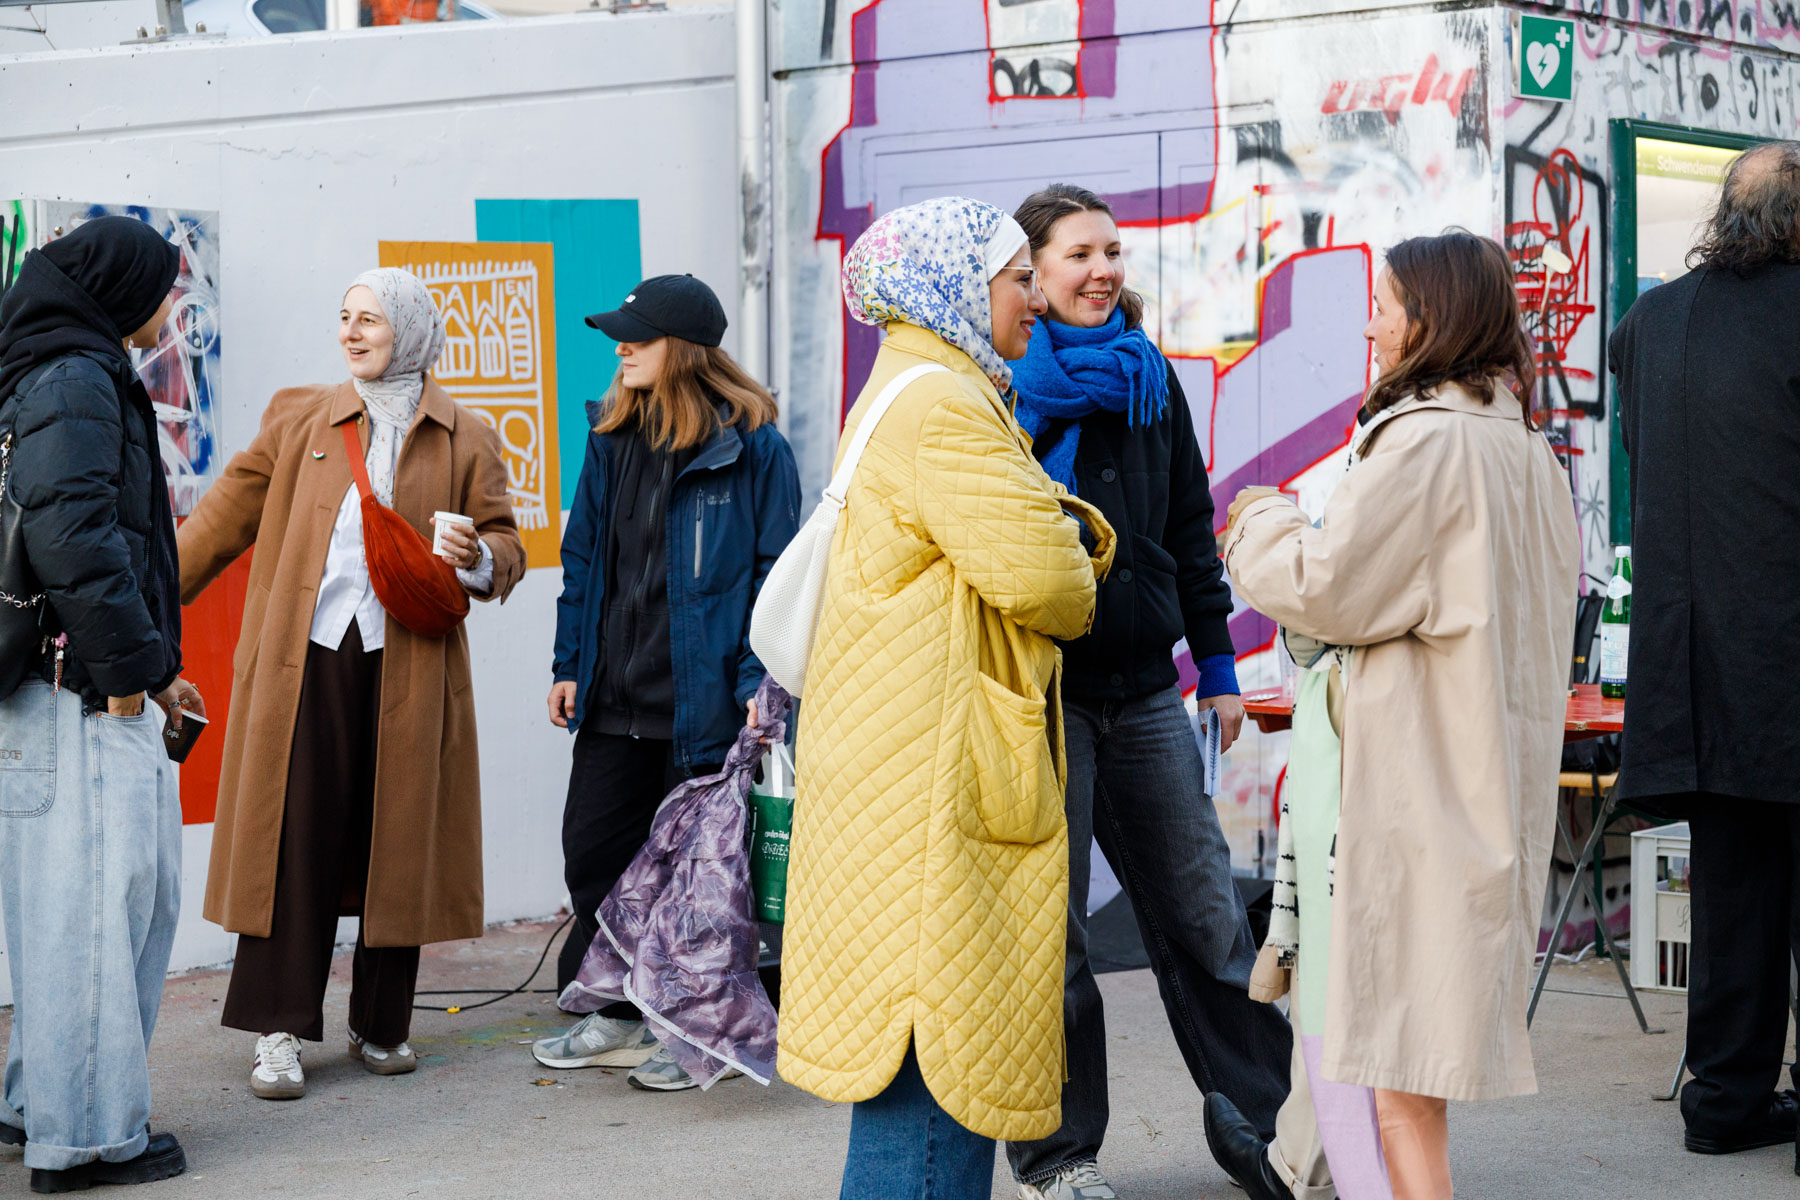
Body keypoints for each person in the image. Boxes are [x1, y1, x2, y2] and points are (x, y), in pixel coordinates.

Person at [1222, 231, 1578, 1199]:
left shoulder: (1425, 443)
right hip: (1474, 777)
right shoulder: (1521, 447)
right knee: (1405, 1068)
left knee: (1392, 1082)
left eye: (1383, 302)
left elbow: (1326, 586)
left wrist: (1260, 518)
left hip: (1408, 786)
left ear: (1429, 317)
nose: (1370, 321)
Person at [777, 195, 1116, 1198]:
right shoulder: (946, 405)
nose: (1034, 301)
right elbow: (1052, 587)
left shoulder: (908, 384)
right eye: (1018, 279)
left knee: (909, 1083)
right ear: (957, 286)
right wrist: (1082, 540)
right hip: (931, 790)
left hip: (895, 773)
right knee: (933, 1084)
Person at [1002, 183, 1294, 1200]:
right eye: (1080, 254)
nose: (1103, 271)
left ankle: (1274, 1126)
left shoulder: (1149, 380)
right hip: (1043, 696)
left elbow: (1184, 531)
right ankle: (1058, 1157)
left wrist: (1216, 671)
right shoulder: (1006, 391)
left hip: (1146, 693)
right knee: (1056, 940)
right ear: (1032, 275)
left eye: (1113, 253)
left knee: (1207, 912)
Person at [177, 268, 524, 1101]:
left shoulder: (466, 435)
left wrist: (479, 557)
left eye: (370, 320)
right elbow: (227, 512)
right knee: (292, 842)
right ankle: (279, 1033)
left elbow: (507, 544)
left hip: (409, 663)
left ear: (408, 329)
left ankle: (383, 1023)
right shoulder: (304, 417)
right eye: (344, 318)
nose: (353, 332)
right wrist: (148, 595)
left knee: (394, 842)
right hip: (306, 663)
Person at [532, 273, 799, 1093]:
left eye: (636, 337)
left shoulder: (753, 447)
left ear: (681, 351)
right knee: (597, 852)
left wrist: (759, 686)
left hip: (707, 701)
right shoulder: (611, 436)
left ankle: (684, 1029)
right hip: (616, 695)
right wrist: (569, 662)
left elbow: (776, 579)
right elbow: (584, 560)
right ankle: (619, 1013)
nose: (620, 348)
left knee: (698, 880)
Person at [1608, 141, 1800, 1164]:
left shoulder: (1650, 323)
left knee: (1733, 895)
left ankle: (1723, 1103)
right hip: (1786, 648)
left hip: (1696, 662)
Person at [0, 215, 201, 1191]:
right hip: (78, 694)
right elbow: (77, 539)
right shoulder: (77, 379)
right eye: (167, 287)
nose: (173, 308)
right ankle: (80, 1141)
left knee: (81, 907)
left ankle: (39, 1101)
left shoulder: (56, 366)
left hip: (61, 689)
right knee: (90, 912)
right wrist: (139, 673)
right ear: (123, 288)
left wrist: (153, 666)